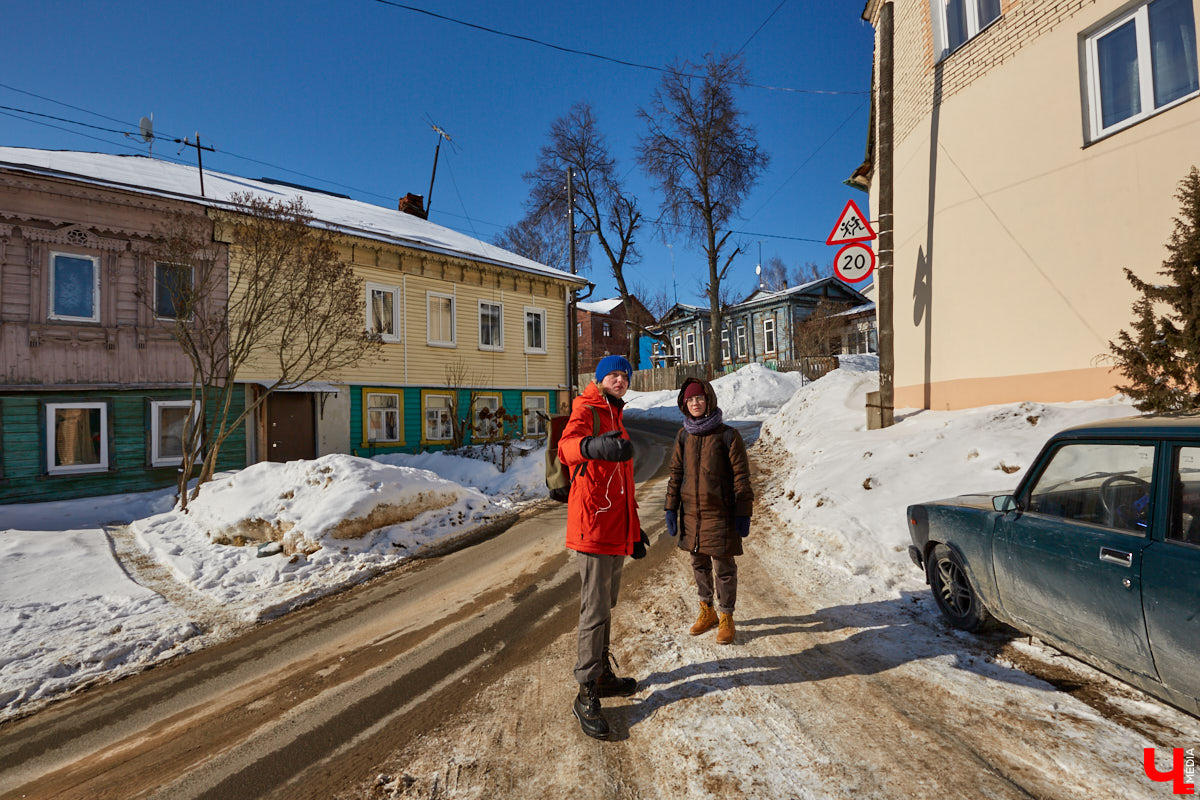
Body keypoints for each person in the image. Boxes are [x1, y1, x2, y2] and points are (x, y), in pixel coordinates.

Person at [558, 354, 648, 740]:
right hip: (592, 527)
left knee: (606, 604)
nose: (620, 380)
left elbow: (623, 485)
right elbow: (567, 448)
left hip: (615, 527)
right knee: (593, 609)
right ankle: (585, 691)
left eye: (624, 376)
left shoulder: (617, 415)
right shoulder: (588, 408)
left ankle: (602, 673)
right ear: (600, 379)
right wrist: (593, 447)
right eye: (613, 375)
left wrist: (635, 530)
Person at [664, 377, 753, 646]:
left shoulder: (728, 435)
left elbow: (741, 477)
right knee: (698, 563)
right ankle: (708, 610)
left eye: (699, 398)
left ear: (709, 400)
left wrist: (743, 512)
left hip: (721, 514)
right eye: (690, 400)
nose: (695, 403)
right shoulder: (683, 436)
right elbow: (676, 474)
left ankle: (726, 616)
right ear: (684, 404)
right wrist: (670, 507)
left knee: (723, 567)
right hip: (691, 514)